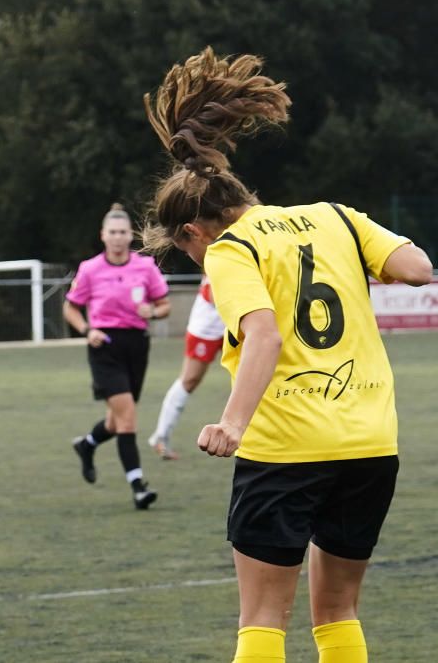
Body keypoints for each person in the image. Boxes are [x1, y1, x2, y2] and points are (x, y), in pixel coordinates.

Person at [141, 47, 433, 663]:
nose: (194, 262)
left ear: (195, 231)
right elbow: (417, 267)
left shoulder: (229, 249)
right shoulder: (335, 217)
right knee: (338, 614)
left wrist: (232, 424)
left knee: (264, 620)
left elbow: (265, 335)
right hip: (369, 444)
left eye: (184, 251)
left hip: (285, 450)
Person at [65, 203, 171, 510]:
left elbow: (165, 306)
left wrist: (152, 311)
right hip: (105, 345)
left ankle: (87, 445)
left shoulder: (145, 267)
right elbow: (70, 307)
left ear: (130, 235)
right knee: (128, 418)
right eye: (112, 232)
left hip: (137, 345)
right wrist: (87, 330)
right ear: (103, 235)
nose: (118, 237)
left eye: (123, 232)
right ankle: (138, 487)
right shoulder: (90, 269)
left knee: (116, 420)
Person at [147, 275, 225, 460]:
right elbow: (218, 296)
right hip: (207, 328)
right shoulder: (219, 250)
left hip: (234, 324)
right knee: (189, 381)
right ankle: (161, 436)